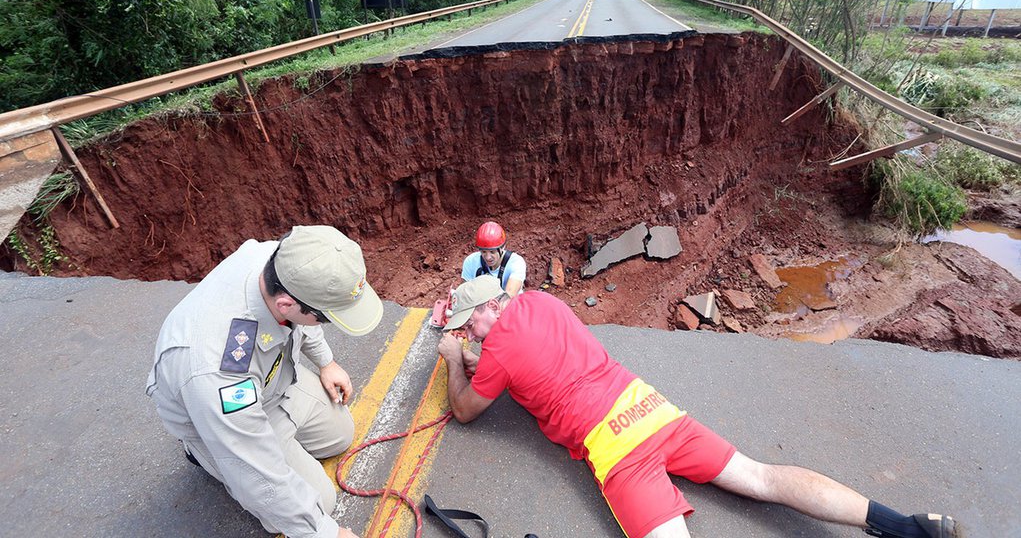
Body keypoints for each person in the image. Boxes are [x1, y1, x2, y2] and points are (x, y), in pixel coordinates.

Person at [436, 276, 960, 538]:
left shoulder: (493, 351)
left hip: (619, 450)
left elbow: (464, 410)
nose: (467, 330)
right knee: (760, 478)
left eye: (469, 322)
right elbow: (531, 355)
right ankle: (909, 527)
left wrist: (455, 358)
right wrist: (479, 350)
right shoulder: (541, 301)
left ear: (488, 310)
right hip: (651, 409)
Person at [147, 225, 384, 538]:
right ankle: (201, 452)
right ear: (285, 305)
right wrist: (328, 534)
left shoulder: (290, 261)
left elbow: (306, 313)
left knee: (340, 434)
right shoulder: (218, 369)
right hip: (226, 410)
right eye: (326, 316)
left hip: (272, 381)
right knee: (317, 505)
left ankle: (285, 447)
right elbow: (254, 466)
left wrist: (326, 361)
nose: (327, 323)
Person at [460, 221, 526, 297]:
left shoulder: (516, 263)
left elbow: (509, 296)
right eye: (483, 251)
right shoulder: (471, 262)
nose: (488, 257)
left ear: (502, 248)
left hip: (510, 306)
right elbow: (464, 294)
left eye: (492, 252)